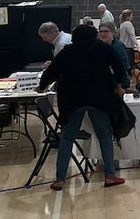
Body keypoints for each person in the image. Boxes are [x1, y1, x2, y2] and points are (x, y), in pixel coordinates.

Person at [37, 24, 125, 190]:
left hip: (72, 101)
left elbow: (52, 72)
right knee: (105, 136)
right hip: (99, 99)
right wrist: (119, 85)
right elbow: (119, 66)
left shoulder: (67, 51)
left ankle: (60, 179)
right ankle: (110, 175)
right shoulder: (103, 48)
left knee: (67, 137)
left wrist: (41, 87)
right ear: (93, 35)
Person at [97, 22, 131, 90]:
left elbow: (123, 67)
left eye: (106, 31)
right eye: (100, 31)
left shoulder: (117, 47)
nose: (102, 34)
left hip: (118, 82)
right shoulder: (100, 45)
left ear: (113, 33)